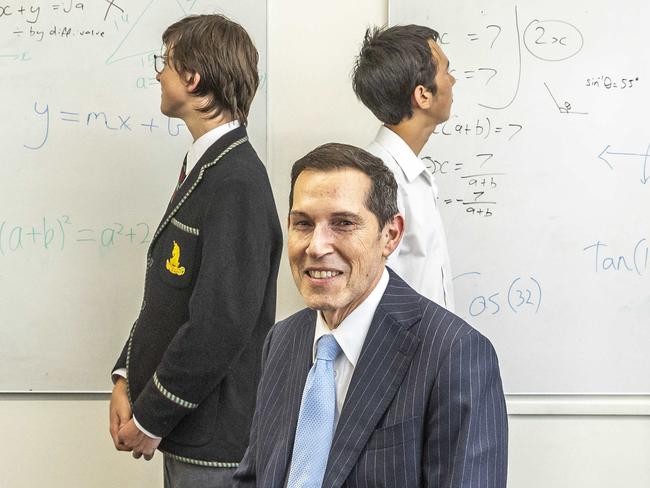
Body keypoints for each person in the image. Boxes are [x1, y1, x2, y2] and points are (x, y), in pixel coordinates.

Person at [234, 143, 508, 487]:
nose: (317, 246)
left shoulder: (455, 353)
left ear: (390, 235)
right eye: (303, 223)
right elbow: (252, 477)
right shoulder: (282, 340)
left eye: (343, 223)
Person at [108, 14, 282, 487]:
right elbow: (168, 296)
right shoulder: (208, 167)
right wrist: (125, 374)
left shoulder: (237, 180)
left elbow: (220, 324)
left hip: (214, 445)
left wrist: (151, 417)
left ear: (192, 76)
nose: (159, 75)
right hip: (189, 433)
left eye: (165, 63)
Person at [352, 24, 456, 310]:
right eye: (446, 71)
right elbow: (373, 301)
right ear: (423, 95)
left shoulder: (412, 176)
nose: (453, 80)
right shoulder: (378, 181)